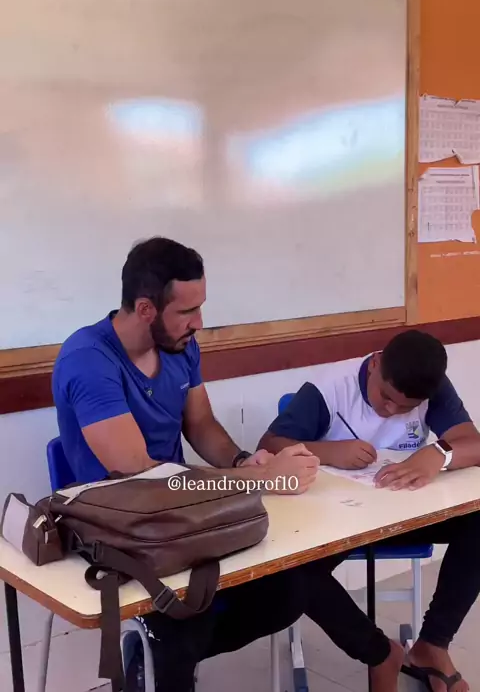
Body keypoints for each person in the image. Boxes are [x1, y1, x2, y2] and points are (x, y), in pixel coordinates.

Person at [53, 236, 407, 692]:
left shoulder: (179, 346)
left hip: (179, 514)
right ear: (145, 309)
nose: (199, 322)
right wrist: (256, 478)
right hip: (117, 527)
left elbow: (200, 425)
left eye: (201, 307)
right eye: (187, 311)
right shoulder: (88, 360)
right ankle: (161, 652)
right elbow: (140, 474)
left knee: (294, 579)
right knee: (183, 627)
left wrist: (243, 460)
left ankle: (380, 654)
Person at [260, 330, 480, 692]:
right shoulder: (330, 387)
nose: (390, 411)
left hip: (402, 514)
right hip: (336, 521)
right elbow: (269, 447)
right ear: (375, 363)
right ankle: (379, 652)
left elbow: (472, 443)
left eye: (405, 408)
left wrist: (438, 453)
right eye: (385, 397)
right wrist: (329, 452)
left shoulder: (430, 385)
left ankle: (433, 644)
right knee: (291, 572)